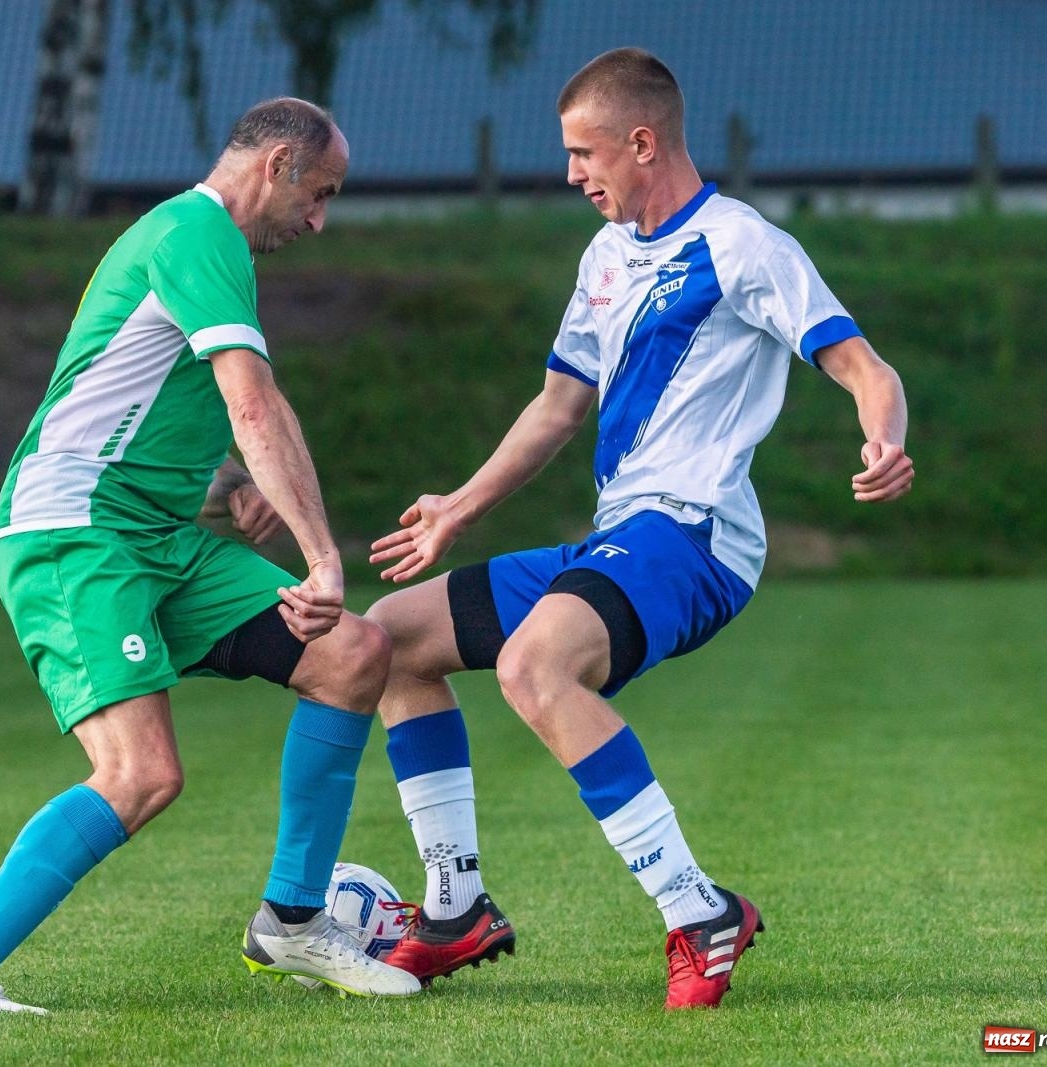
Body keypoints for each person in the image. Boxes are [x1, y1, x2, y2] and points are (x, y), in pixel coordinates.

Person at [364, 48, 914, 1010]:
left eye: (585, 153)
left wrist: (885, 439)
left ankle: (698, 912)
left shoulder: (743, 245)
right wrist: (459, 504)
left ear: (644, 142)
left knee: (534, 666)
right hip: (621, 535)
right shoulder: (606, 256)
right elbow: (556, 406)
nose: (572, 173)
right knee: (389, 640)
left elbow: (867, 368)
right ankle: (455, 908)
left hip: (696, 537)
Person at [0, 98, 421, 1015]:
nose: (319, 221)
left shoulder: (196, 244)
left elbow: (125, 400)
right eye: (321, 194)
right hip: (74, 531)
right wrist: (321, 555)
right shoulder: (195, 233)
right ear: (279, 164)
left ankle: (294, 921)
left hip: (155, 532)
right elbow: (254, 402)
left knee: (352, 654)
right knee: (141, 773)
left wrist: (225, 487)